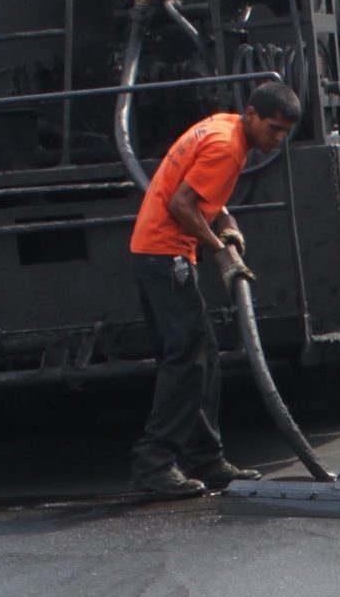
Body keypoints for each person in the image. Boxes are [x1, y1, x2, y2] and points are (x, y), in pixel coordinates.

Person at [128, 82, 302, 497]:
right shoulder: (227, 146)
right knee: (186, 360)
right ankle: (154, 465)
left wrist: (226, 224)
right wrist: (221, 254)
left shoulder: (224, 128)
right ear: (253, 113)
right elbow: (181, 205)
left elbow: (205, 195)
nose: (277, 140)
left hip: (154, 254)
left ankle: (206, 457)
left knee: (201, 355)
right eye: (273, 129)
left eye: (284, 133)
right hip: (165, 255)